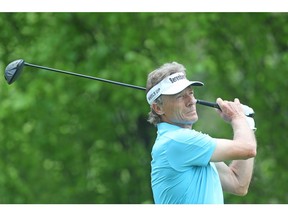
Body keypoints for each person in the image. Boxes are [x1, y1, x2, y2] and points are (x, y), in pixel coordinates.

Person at [145, 62, 257, 204]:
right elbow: (248, 149)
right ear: (158, 108)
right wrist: (238, 117)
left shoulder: (190, 149)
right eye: (180, 96)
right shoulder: (176, 141)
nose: (191, 101)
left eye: (190, 93)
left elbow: (238, 183)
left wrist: (247, 125)